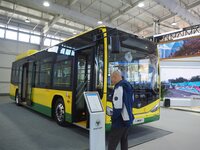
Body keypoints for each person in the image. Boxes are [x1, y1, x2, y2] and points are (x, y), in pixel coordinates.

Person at [108, 70, 134, 150]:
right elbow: (132, 101)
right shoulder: (128, 86)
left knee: (112, 142)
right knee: (124, 141)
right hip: (128, 119)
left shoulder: (119, 87)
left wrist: (113, 118)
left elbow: (118, 107)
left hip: (120, 121)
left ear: (115, 77)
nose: (111, 80)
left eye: (111, 78)